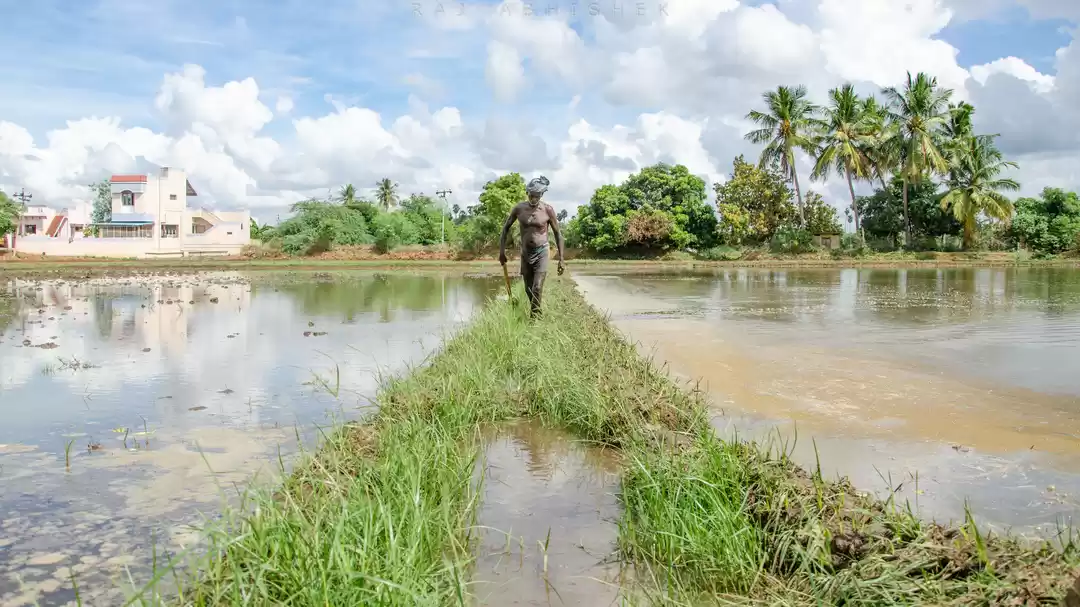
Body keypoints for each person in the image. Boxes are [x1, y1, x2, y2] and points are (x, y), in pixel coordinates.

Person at [498, 176, 565, 317]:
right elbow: (505, 229)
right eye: (531, 195)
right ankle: (537, 311)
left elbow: (558, 234)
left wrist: (561, 258)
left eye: (537, 196)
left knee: (537, 287)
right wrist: (501, 252)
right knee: (528, 289)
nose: (533, 198)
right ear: (527, 192)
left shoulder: (548, 210)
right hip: (525, 254)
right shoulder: (519, 209)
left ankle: (534, 317)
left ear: (541, 195)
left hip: (541, 252)